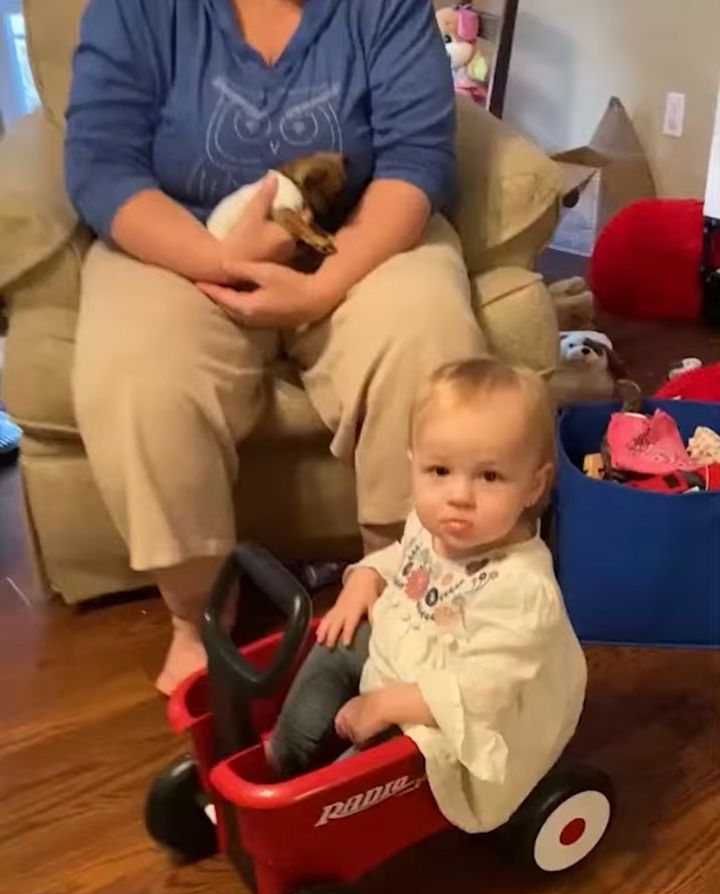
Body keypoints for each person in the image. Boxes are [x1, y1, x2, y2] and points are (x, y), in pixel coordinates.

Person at [64, 0, 487, 695]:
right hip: (181, 241)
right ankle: (200, 614)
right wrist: (217, 259)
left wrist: (322, 288)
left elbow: (417, 160)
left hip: (353, 238)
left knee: (427, 334)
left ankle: (397, 585)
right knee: (136, 374)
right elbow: (101, 167)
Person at [269, 359, 588, 833]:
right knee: (336, 640)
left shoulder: (522, 591)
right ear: (413, 464)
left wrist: (388, 706)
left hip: (462, 710)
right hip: (409, 652)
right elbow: (408, 560)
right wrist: (367, 575)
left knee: (385, 758)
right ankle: (286, 758)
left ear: (533, 486)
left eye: (490, 477)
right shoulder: (433, 524)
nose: (459, 496)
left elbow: (488, 690)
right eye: (439, 470)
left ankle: (317, 814)